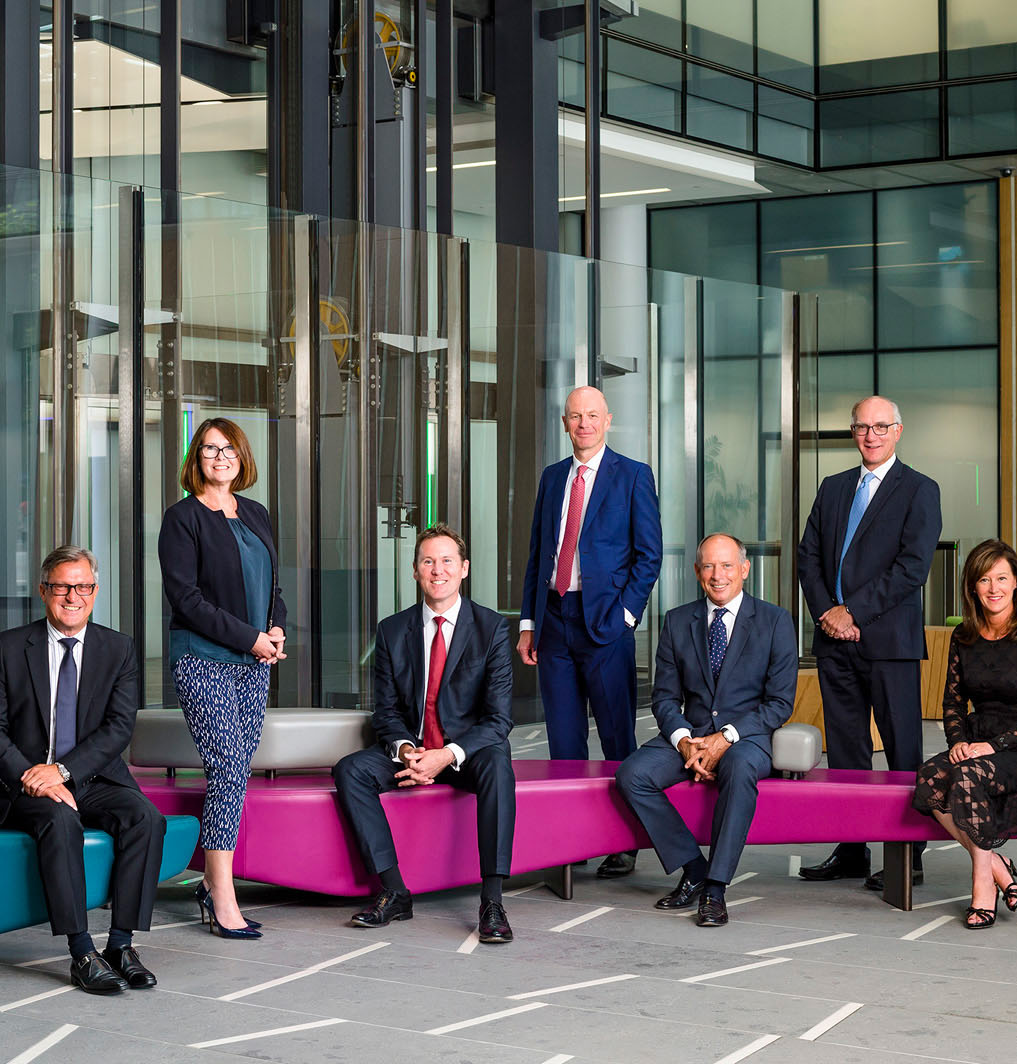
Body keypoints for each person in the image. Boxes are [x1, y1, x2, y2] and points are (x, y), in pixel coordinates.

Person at [0, 546, 167, 995]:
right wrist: (30, 774)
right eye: (61, 586)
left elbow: (119, 729)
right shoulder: (9, 647)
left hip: (91, 777)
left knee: (146, 819)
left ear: (95, 592)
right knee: (61, 820)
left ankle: (121, 945)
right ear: (44, 591)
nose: (72, 596)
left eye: (82, 586)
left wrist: (61, 771)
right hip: (25, 784)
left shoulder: (118, 648)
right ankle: (81, 951)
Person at [333, 525, 517, 942]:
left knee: (499, 762)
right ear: (415, 571)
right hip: (413, 751)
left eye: (447, 561)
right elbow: (387, 711)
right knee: (351, 770)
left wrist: (445, 754)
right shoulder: (392, 630)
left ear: (464, 568)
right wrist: (405, 750)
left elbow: (498, 719)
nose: (438, 570)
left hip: (465, 754)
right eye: (428, 562)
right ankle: (394, 890)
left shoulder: (491, 629)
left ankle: (492, 902)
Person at [796, 395, 941, 890]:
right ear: (853, 431)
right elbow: (808, 556)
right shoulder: (833, 487)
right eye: (862, 427)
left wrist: (852, 611)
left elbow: (912, 569)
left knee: (902, 751)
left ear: (899, 430)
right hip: (836, 642)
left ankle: (908, 855)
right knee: (846, 749)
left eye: (882, 426)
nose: (871, 435)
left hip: (889, 642)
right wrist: (827, 613)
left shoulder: (920, 490)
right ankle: (853, 847)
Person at [615, 534, 797, 927]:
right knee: (632, 774)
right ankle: (694, 867)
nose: (719, 576)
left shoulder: (775, 620)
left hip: (746, 738)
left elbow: (780, 703)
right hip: (690, 734)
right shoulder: (678, 621)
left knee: (739, 769)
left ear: (745, 569)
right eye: (709, 567)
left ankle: (715, 888)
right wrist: (684, 742)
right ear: (697, 572)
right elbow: (664, 697)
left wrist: (726, 737)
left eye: (727, 565)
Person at [517, 385, 662, 879]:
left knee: (618, 736)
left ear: (608, 420)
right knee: (563, 740)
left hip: (605, 622)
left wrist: (625, 617)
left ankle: (623, 839)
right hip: (554, 619)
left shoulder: (633, 476)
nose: (584, 424)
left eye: (593, 415)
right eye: (576, 416)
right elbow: (539, 552)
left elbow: (649, 555)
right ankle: (573, 837)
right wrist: (529, 622)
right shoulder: (553, 477)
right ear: (565, 423)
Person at [158, 417, 286, 939]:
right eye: (209, 448)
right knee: (229, 762)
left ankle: (212, 885)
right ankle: (220, 893)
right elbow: (186, 601)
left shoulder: (255, 513)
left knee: (236, 767)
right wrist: (250, 638)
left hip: (254, 660)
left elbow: (274, 583)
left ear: (241, 457)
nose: (220, 456)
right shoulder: (182, 518)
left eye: (228, 448)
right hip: (204, 657)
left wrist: (275, 629)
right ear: (197, 459)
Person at [912, 539, 1017, 930]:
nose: (993, 588)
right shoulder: (964, 636)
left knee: (967, 777)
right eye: (984, 579)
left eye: (1001, 578)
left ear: (1015, 584)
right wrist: (958, 743)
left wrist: (992, 746)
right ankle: (997, 863)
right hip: (978, 742)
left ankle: (983, 886)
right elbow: (952, 704)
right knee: (929, 778)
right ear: (972, 588)